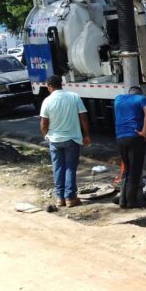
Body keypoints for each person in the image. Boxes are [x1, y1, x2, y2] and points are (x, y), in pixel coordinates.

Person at [40, 75, 91, 208]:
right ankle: (70, 198)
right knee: (70, 168)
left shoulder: (47, 101)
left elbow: (43, 123)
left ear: (49, 86)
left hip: (54, 140)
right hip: (72, 139)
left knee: (58, 168)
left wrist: (46, 135)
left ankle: (59, 198)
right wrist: (86, 135)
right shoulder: (74, 96)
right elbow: (83, 118)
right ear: (62, 84)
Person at [114, 86, 146, 208]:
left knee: (126, 170)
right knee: (135, 172)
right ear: (139, 93)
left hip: (120, 138)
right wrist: (144, 131)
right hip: (135, 137)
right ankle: (132, 202)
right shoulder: (141, 99)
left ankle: (122, 200)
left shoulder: (118, 99)